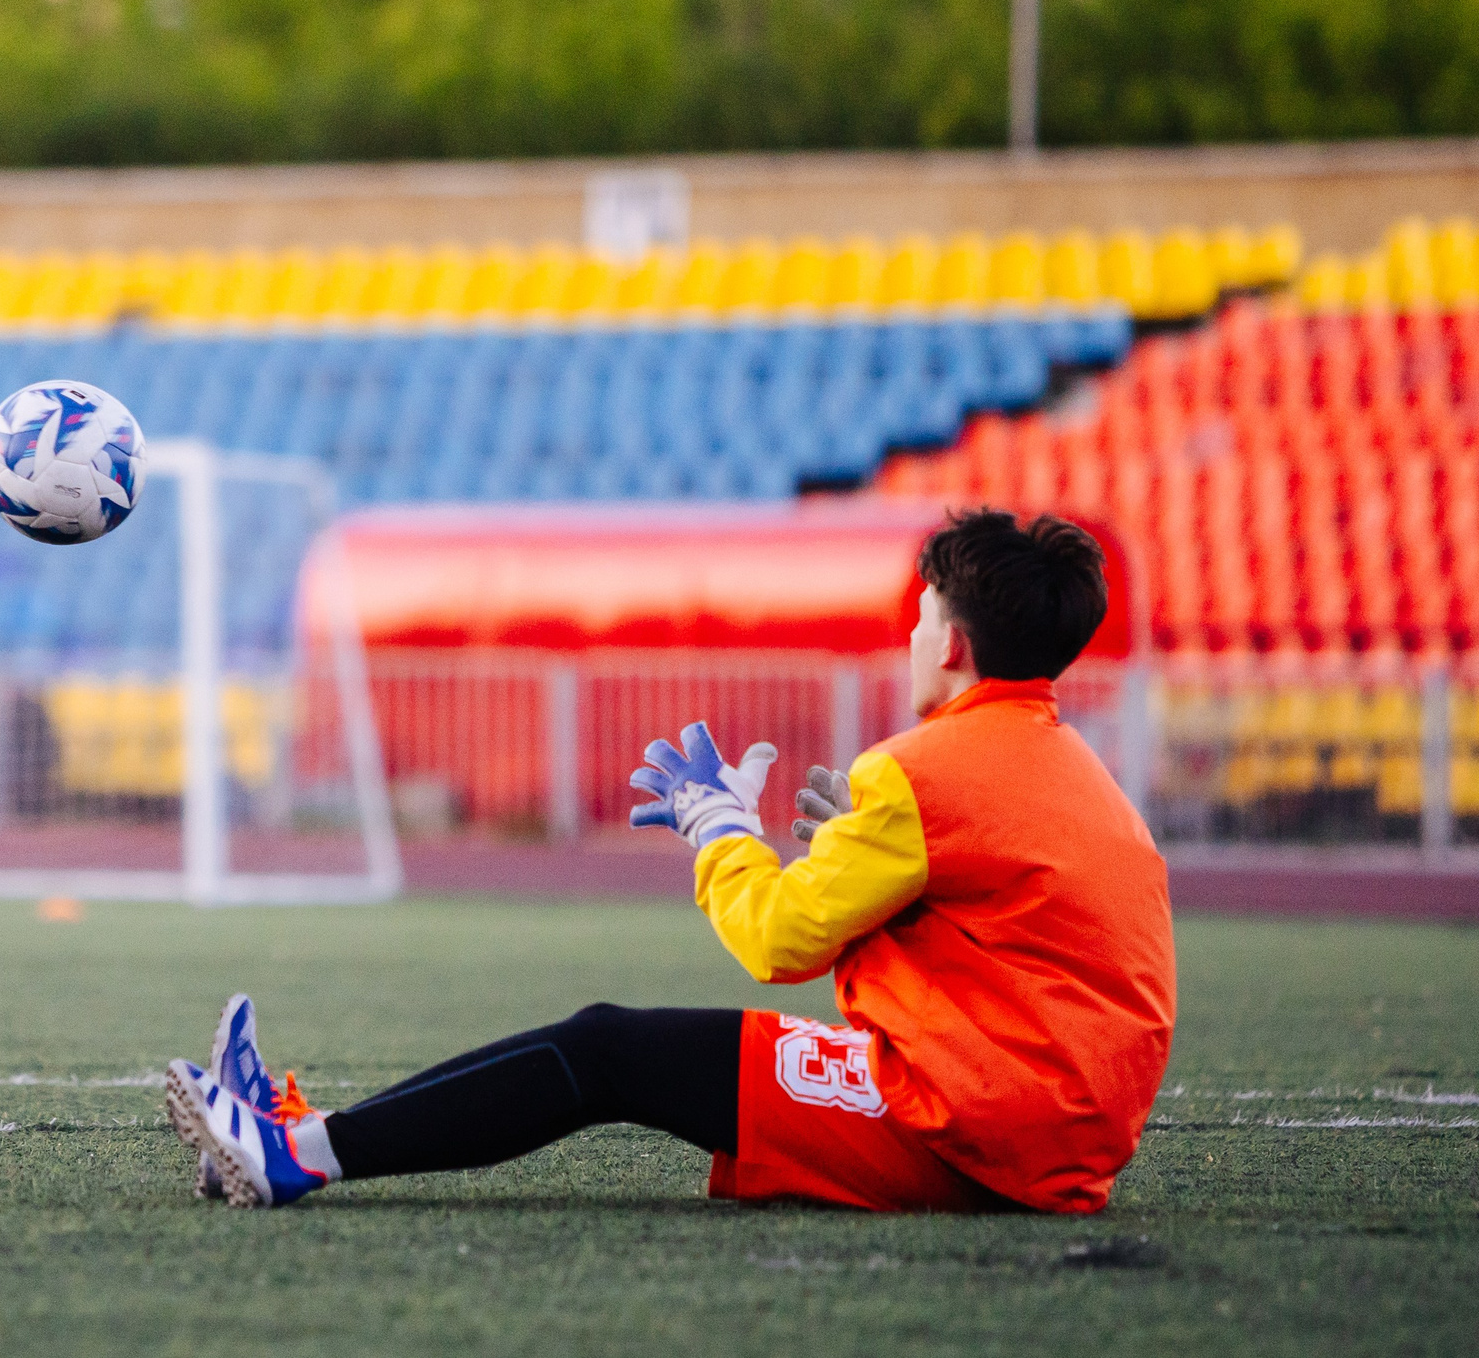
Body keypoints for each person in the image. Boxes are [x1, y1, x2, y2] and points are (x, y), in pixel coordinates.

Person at [168, 509, 1177, 1214]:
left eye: (919, 617)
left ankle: (293, 1154)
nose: (911, 633)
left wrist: (718, 830)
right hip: (1048, 1128)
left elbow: (775, 940)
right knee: (622, 1048)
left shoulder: (928, 768)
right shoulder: (1066, 766)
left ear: (950, 645)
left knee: (610, 1050)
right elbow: (1002, 939)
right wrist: (850, 862)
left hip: (977, 1130)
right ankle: (298, 1137)